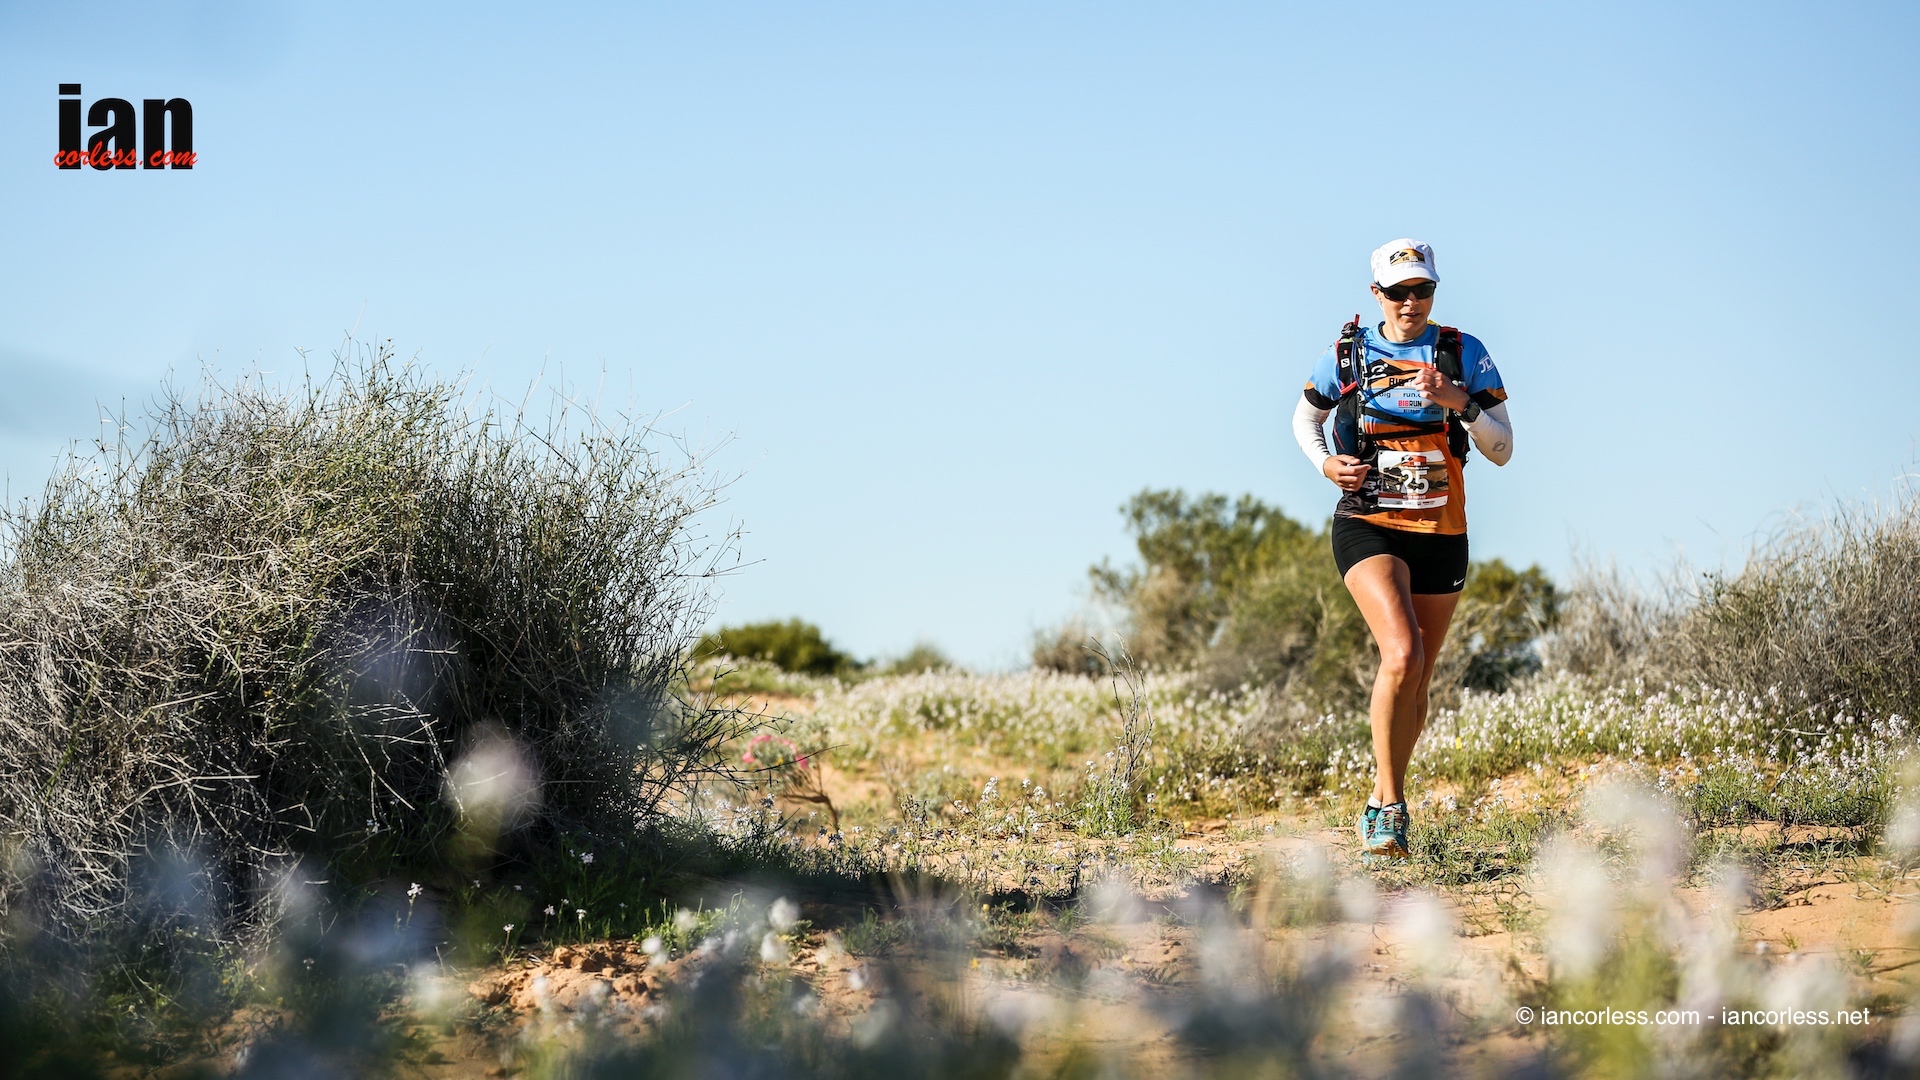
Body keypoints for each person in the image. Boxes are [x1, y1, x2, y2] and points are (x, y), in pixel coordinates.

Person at [1291, 239, 1513, 860]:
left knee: (1418, 680)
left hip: (1443, 530)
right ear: (1377, 294)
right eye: (1398, 292)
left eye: (1422, 290)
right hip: (1370, 523)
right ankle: (1391, 809)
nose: (1411, 302)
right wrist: (1326, 464)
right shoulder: (1348, 354)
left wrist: (1459, 402)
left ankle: (1380, 796)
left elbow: (1502, 449)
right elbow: (1304, 420)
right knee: (1402, 653)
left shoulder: (1463, 353)